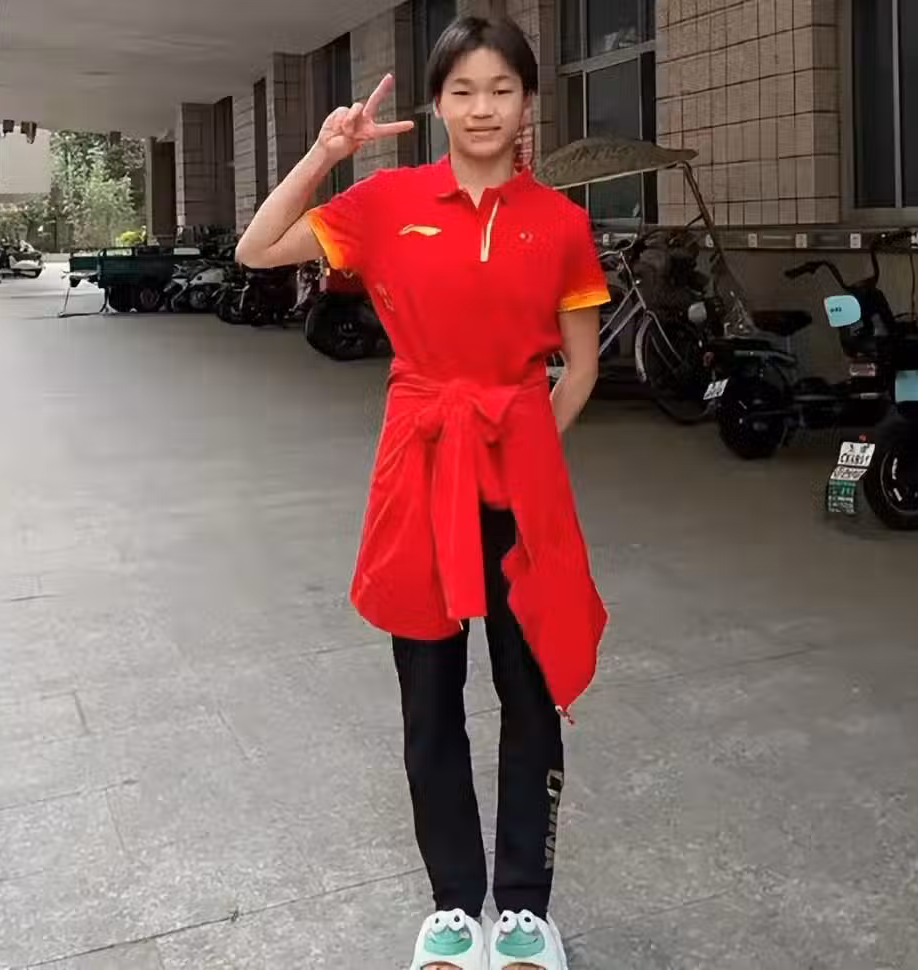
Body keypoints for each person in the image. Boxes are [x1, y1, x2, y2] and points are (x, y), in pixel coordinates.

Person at [237, 15, 609, 970]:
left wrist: (524, 450)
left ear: (529, 102)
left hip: (517, 480)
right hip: (421, 471)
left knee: (529, 692)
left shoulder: (560, 223)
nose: (483, 108)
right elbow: (256, 248)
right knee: (429, 695)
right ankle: (453, 908)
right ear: (438, 103)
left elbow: (580, 369)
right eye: (463, 90)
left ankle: (522, 912)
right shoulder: (386, 203)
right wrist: (328, 153)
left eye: (502, 90)